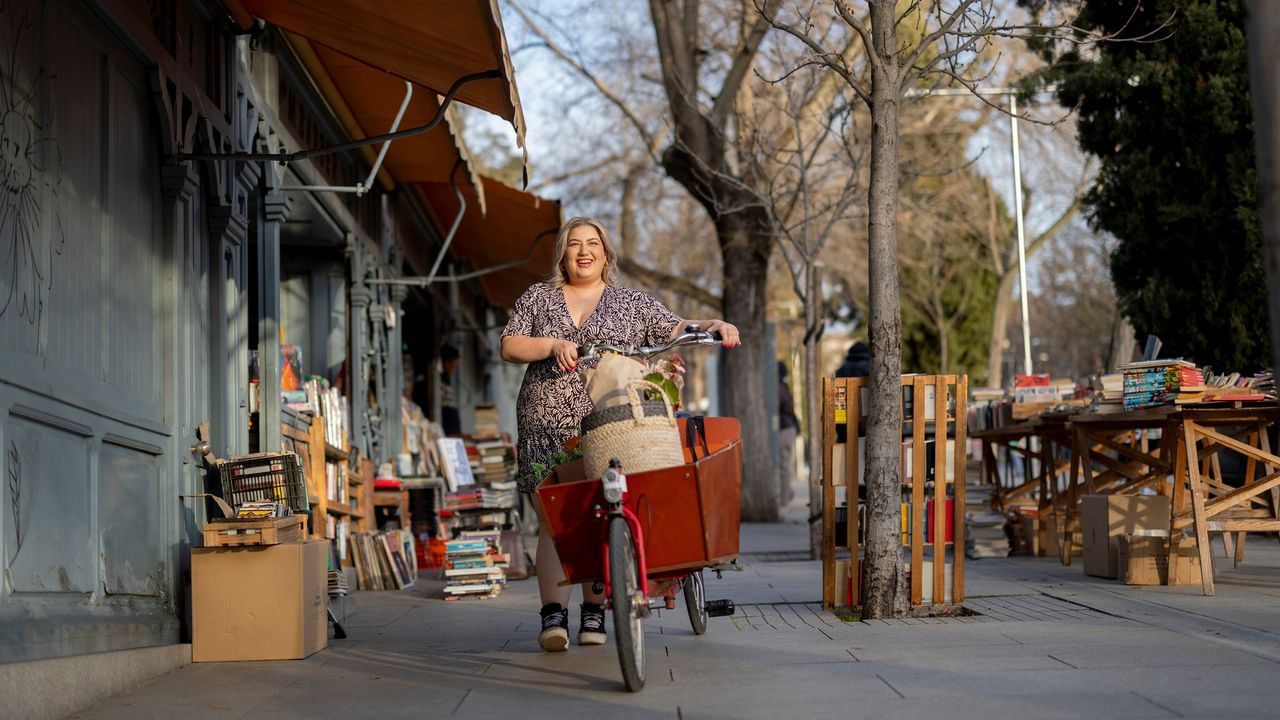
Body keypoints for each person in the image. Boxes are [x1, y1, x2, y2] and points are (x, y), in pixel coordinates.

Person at [500, 216, 740, 652]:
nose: (584, 251)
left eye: (593, 243)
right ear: (563, 254)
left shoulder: (629, 303)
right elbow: (511, 344)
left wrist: (714, 325)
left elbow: (673, 327)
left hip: (610, 425)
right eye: (574, 244)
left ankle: (594, 614)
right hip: (546, 423)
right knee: (554, 521)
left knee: (602, 515)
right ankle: (553, 617)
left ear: (606, 254)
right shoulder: (540, 297)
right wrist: (552, 345)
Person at [776, 361, 799, 506]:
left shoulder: (777, 389)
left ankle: (784, 498)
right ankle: (787, 493)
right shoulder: (784, 387)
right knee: (784, 465)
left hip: (783, 430)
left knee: (782, 466)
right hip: (789, 429)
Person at [439, 344, 461, 436]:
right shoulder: (439, 382)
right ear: (446, 363)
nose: (454, 368)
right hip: (447, 429)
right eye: (453, 364)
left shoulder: (447, 380)